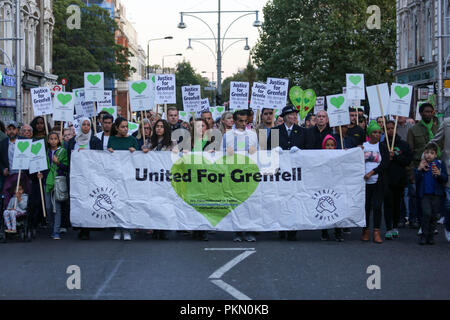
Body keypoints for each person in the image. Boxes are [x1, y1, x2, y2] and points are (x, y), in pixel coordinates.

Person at [268, 104, 305, 241]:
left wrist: (300, 151)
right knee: (280, 199)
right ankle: (281, 228)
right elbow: (267, 149)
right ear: (284, 117)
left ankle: (293, 229)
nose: (294, 116)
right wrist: (274, 149)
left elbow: (308, 149)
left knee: (294, 200)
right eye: (291, 114)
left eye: (295, 114)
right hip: (280, 173)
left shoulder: (301, 131)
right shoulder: (275, 131)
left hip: (295, 173)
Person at [220, 109, 258, 242]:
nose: (243, 124)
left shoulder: (253, 135)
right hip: (233, 175)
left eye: (245, 121)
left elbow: (260, 155)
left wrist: (255, 151)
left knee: (249, 203)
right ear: (235, 121)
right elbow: (220, 154)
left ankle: (249, 230)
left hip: (248, 175)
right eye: (240, 121)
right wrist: (226, 151)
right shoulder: (227, 136)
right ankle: (237, 231)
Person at [67, 118, 102, 240]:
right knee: (78, 201)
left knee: (89, 201)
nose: (86, 127)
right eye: (84, 124)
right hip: (77, 177)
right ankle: (80, 226)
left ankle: (86, 228)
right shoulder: (73, 141)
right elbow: (69, 157)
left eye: (88, 125)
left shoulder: (95, 141)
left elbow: (99, 158)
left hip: (90, 176)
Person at [407, 103, 440, 230]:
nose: (428, 114)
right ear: (420, 113)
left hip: (435, 168)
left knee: (434, 198)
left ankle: (431, 223)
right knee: (417, 197)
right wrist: (411, 172)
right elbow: (410, 151)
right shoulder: (413, 130)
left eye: (430, 112)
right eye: (425, 112)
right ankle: (418, 221)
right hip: (418, 168)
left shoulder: (438, 129)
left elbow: (441, 147)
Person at [107, 117, 139, 241]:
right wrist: (109, 151)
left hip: (129, 176)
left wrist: (135, 152)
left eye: (127, 126)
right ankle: (117, 228)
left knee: (126, 202)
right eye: (123, 127)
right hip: (115, 176)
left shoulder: (132, 140)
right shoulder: (112, 139)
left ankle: (126, 229)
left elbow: (139, 159)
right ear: (117, 128)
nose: (125, 129)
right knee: (116, 202)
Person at [143, 119, 175, 240]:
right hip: (153, 178)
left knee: (165, 204)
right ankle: (155, 227)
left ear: (166, 129)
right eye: (157, 126)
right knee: (154, 203)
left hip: (166, 178)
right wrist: (144, 150)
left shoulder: (172, 143)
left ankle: (164, 229)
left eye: (161, 126)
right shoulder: (149, 142)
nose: (159, 129)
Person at [382, 120, 412, 240]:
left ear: (395, 130)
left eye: (392, 129)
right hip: (386, 179)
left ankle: (395, 226)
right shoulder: (382, 145)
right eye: (387, 129)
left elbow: (407, 160)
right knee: (388, 204)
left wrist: (396, 156)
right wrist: (387, 157)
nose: (390, 131)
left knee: (397, 204)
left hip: (399, 179)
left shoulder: (403, 144)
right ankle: (388, 227)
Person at [362, 121, 390, 244]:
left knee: (377, 206)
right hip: (364, 182)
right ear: (369, 134)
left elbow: (385, 163)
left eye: (379, 132)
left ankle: (377, 232)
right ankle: (366, 230)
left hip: (378, 181)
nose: (377, 135)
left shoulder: (383, 147)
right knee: (366, 207)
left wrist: (372, 172)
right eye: (374, 132)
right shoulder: (363, 146)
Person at [415, 142, 448, 245]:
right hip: (425, 194)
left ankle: (431, 235)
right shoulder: (423, 164)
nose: (429, 155)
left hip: (436, 194)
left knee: (434, 215)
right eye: (427, 152)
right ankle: (424, 235)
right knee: (426, 214)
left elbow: (445, 178)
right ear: (424, 153)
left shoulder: (440, 164)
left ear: (436, 155)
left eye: (432, 153)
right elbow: (416, 179)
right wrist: (419, 169)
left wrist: (439, 174)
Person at [40, 132, 69, 240]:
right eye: (51, 139)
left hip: (57, 181)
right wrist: (40, 174)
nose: (53, 141)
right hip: (47, 182)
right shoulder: (45, 152)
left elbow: (66, 167)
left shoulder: (62, 152)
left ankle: (56, 231)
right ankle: (51, 226)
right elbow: (42, 166)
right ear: (48, 140)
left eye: (55, 139)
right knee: (48, 207)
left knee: (56, 208)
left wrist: (58, 163)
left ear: (58, 140)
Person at [320, 135, 344, 242]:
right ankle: (324, 232)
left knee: (336, 207)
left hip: (336, 185)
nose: (330, 147)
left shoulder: (339, 156)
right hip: (324, 185)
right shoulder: (319, 157)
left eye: (332, 145)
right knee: (324, 209)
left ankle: (338, 231)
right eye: (327, 145)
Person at [430, 116, 450, 241]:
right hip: (448, 166)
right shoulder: (447, 122)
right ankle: (448, 226)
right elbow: (435, 140)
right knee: (449, 203)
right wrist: (426, 154)